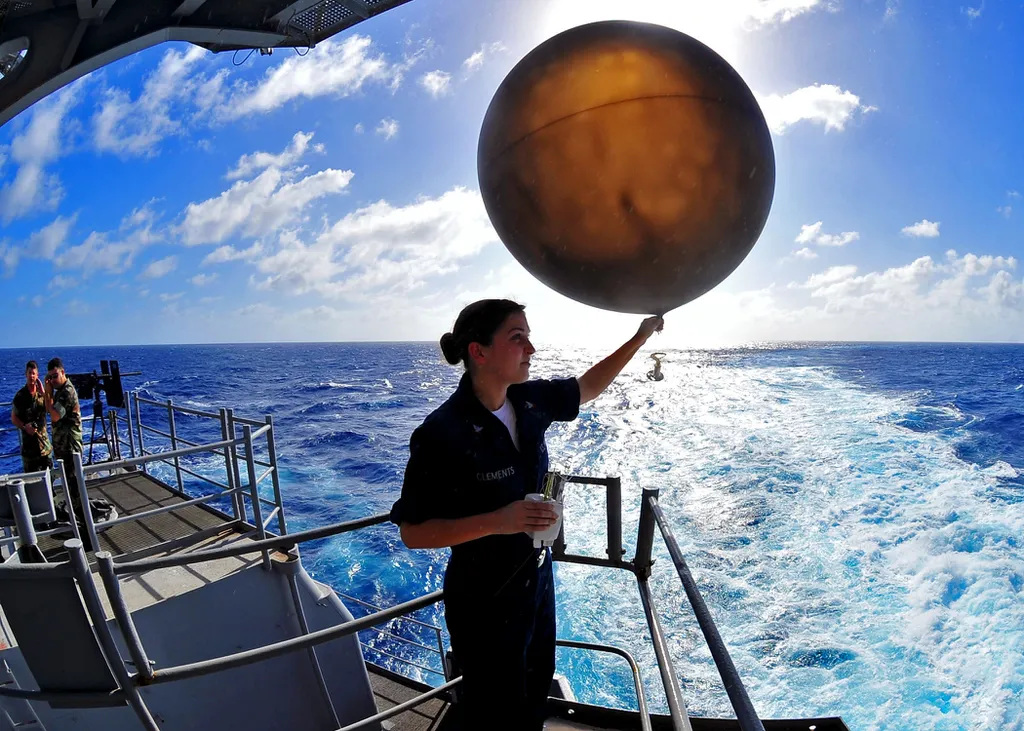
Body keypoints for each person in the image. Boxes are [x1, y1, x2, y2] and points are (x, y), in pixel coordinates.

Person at [390, 299, 663, 731]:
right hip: (483, 598)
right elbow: (413, 532)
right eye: (518, 338)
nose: (531, 348)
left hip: (536, 580)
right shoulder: (441, 432)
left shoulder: (529, 399)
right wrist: (502, 520)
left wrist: (640, 337)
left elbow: (587, 387)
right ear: (479, 351)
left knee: (535, 695)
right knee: (494, 711)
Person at [43, 357, 83, 516]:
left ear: (62, 372)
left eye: (55, 375)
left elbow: (53, 415)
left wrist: (47, 393)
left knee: (74, 484)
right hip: (63, 446)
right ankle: (75, 513)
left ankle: (81, 519)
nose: (52, 380)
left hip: (70, 446)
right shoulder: (59, 391)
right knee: (68, 481)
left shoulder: (67, 391)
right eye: (50, 377)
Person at [10, 360, 52, 473]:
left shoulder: (42, 395)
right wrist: (24, 427)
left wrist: (44, 393)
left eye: (34, 373)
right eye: (29, 373)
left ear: (37, 375)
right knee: (32, 483)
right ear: (26, 374)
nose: (31, 376)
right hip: (29, 449)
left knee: (50, 482)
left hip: (44, 447)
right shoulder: (20, 396)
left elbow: (50, 409)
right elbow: (14, 418)